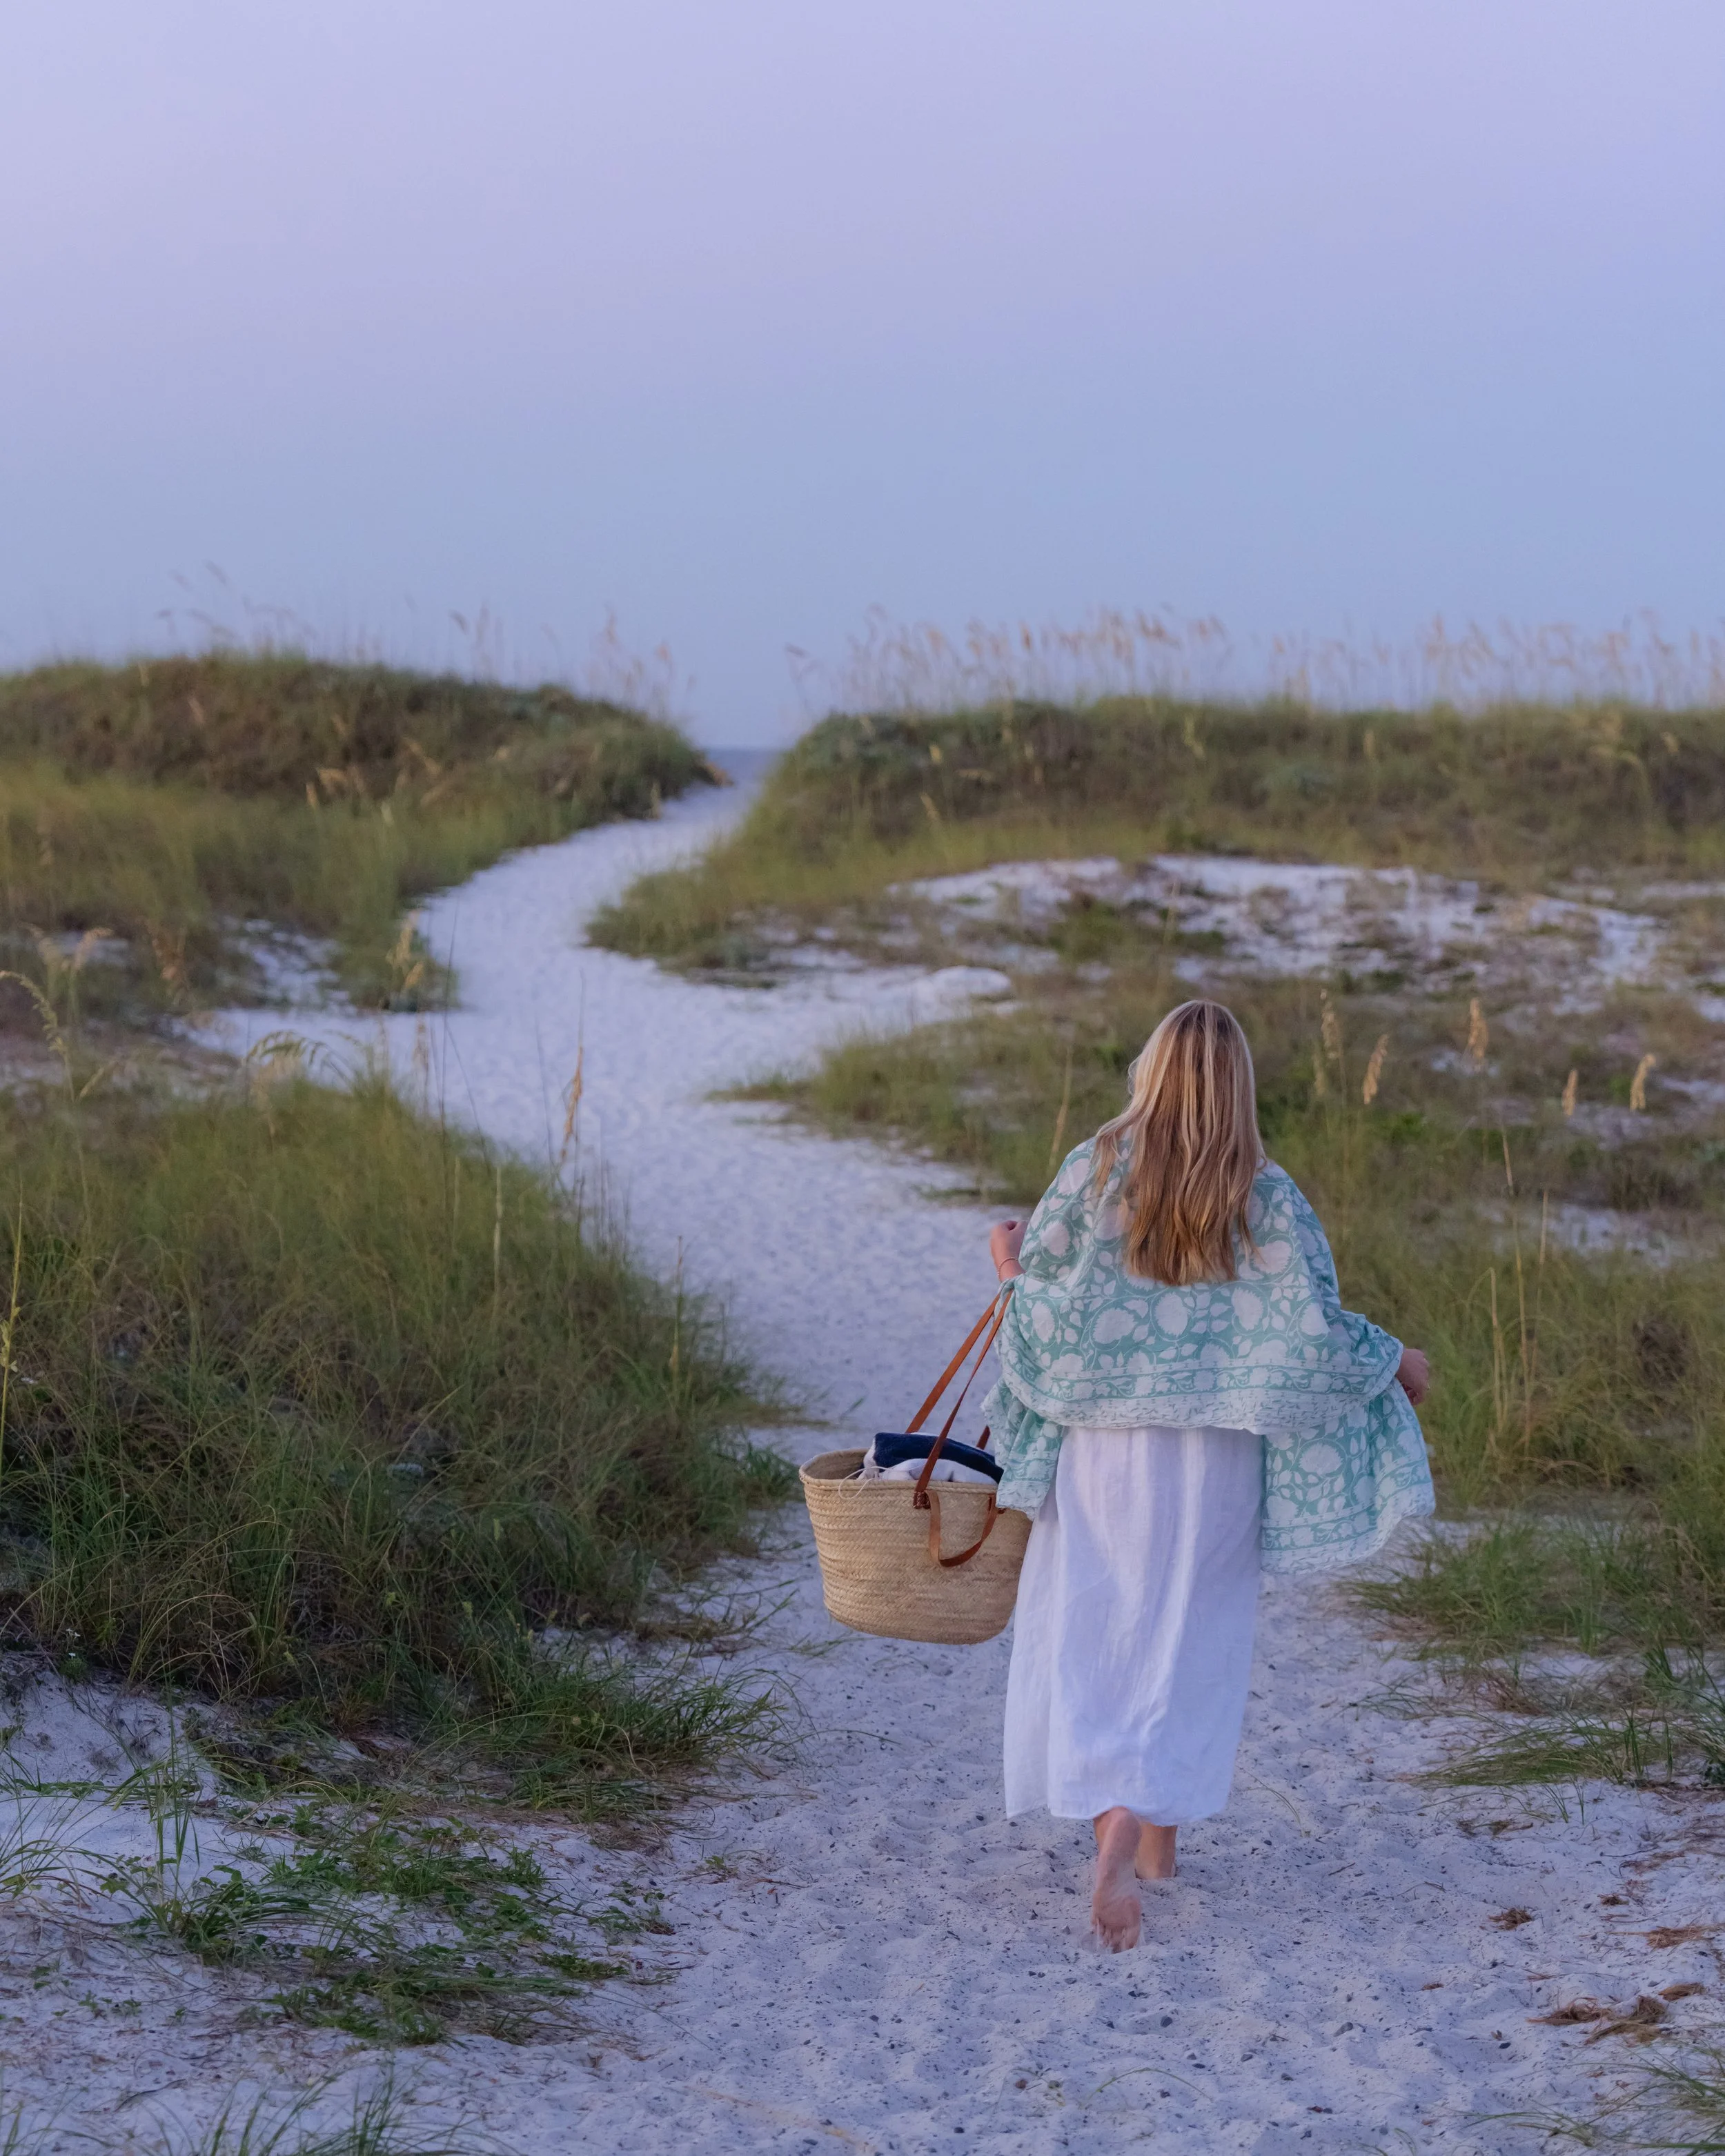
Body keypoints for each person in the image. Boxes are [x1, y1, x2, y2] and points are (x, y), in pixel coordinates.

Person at [982, 998, 1433, 1951]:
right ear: (1238, 1089)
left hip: (1105, 1452)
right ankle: (1145, 1852)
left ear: (1148, 1075)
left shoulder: (1095, 1170)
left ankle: (1126, 1845)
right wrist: (1396, 1358)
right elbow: (1307, 1331)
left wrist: (1008, 1263)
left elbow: (1048, 1311)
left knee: (1103, 1625)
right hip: (1215, 1459)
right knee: (1188, 1638)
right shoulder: (1267, 1192)